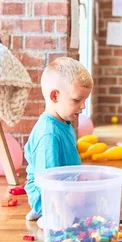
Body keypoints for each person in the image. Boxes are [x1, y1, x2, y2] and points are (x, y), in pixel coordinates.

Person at [24, 57, 93, 228]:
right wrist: (62, 213)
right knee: (83, 198)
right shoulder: (48, 134)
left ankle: (48, 210)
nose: (83, 106)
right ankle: (48, 216)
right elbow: (48, 180)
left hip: (64, 183)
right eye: (77, 100)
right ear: (55, 96)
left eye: (84, 100)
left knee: (94, 180)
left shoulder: (64, 121)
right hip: (48, 192)